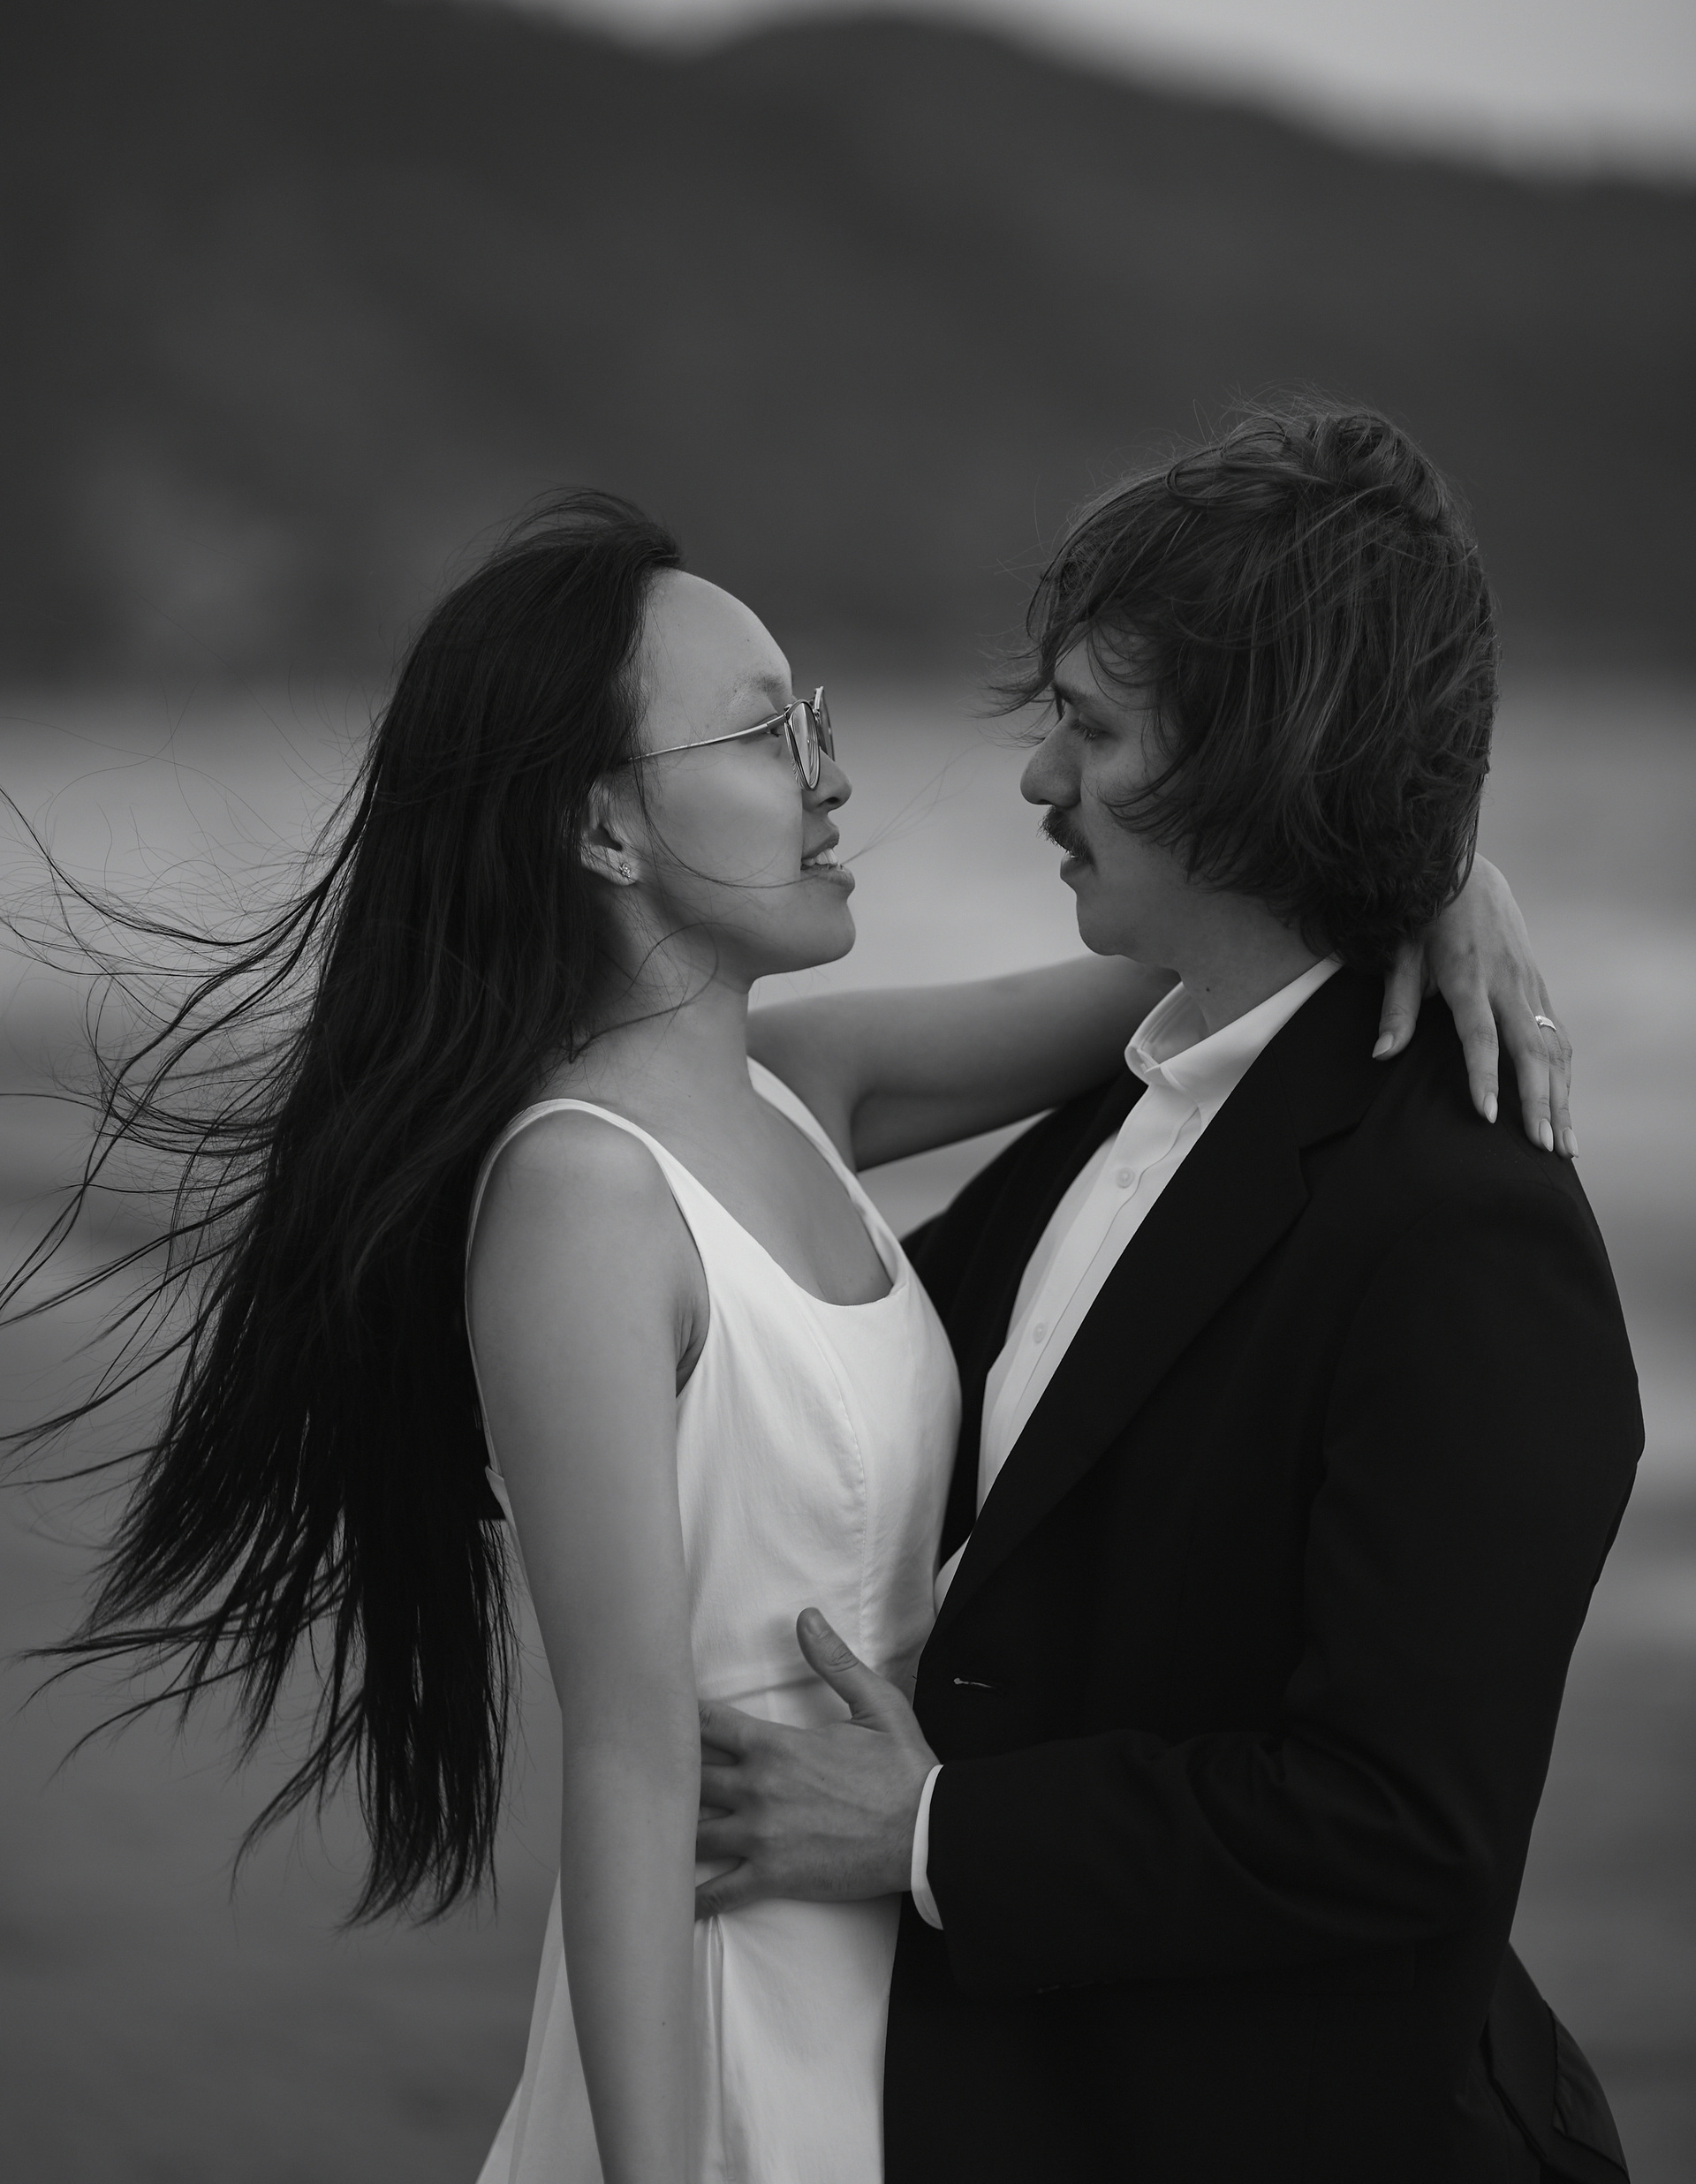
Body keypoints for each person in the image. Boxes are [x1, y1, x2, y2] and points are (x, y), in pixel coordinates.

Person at [13, 484, 1576, 2184]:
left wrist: (1434, 872)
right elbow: (628, 1763)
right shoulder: (581, 1200)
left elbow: (1216, 969)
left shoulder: (797, 1092)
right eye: (766, 734)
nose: (829, 778)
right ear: (604, 829)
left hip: (926, 1956)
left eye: (812, 720)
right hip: (745, 1959)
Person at [693, 410, 1641, 2182]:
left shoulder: (1464, 1229)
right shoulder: (1132, 1113)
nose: (1039, 779)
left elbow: (1403, 1823)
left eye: (1096, 727)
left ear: (1270, 757)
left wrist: (936, 1833)